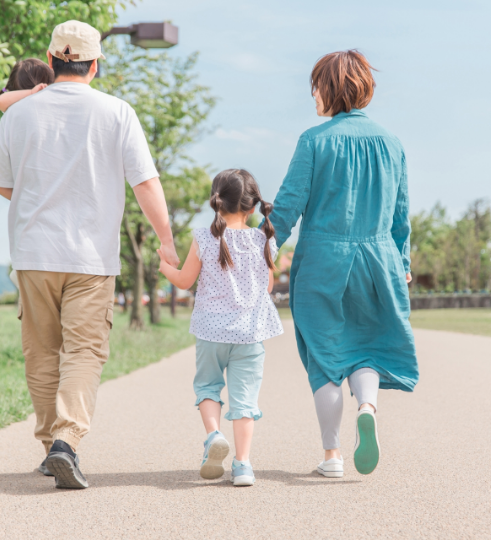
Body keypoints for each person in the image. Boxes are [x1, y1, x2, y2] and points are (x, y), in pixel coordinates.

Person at [0, 20, 180, 490]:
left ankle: (50, 443)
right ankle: (65, 442)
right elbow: (145, 183)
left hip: (33, 252)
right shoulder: (117, 112)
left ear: (52, 63)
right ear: (95, 65)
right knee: (85, 350)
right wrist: (167, 241)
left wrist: (38, 199)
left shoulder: (19, 113)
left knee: (41, 351)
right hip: (90, 257)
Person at [268, 50, 419, 478]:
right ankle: (366, 407)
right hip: (379, 259)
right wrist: (402, 261)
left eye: (315, 86)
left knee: (325, 357)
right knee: (366, 346)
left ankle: (332, 456)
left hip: (323, 260)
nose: (312, 94)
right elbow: (399, 214)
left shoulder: (314, 140)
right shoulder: (392, 143)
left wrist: (261, 251)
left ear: (330, 89)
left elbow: (287, 208)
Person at [157, 169, 283, 487]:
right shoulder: (263, 238)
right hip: (250, 334)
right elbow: (267, 286)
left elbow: (185, 282)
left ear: (216, 203)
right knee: (245, 401)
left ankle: (213, 436)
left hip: (211, 332)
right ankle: (243, 466)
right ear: (252, 207)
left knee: (208, 388)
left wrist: (164, 267)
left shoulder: (204, 237)